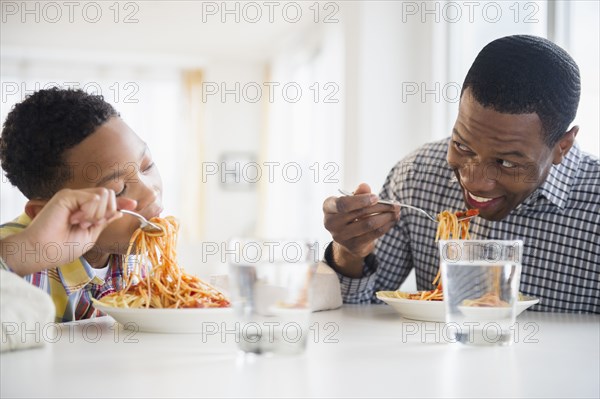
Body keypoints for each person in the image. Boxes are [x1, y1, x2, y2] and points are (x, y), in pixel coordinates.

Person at [322, 35, 599, 313]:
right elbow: (356, 310)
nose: (472, 180)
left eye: (505, 162)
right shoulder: (417, 174)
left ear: (562, 146)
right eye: (462, 145)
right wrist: (349, 251)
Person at [0, 88, 163, 322]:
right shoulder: (18, 257)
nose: (150, 192)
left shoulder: (137, 255)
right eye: (118, 190)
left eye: (147, 165)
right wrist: (30, 250)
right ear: (44, 213)